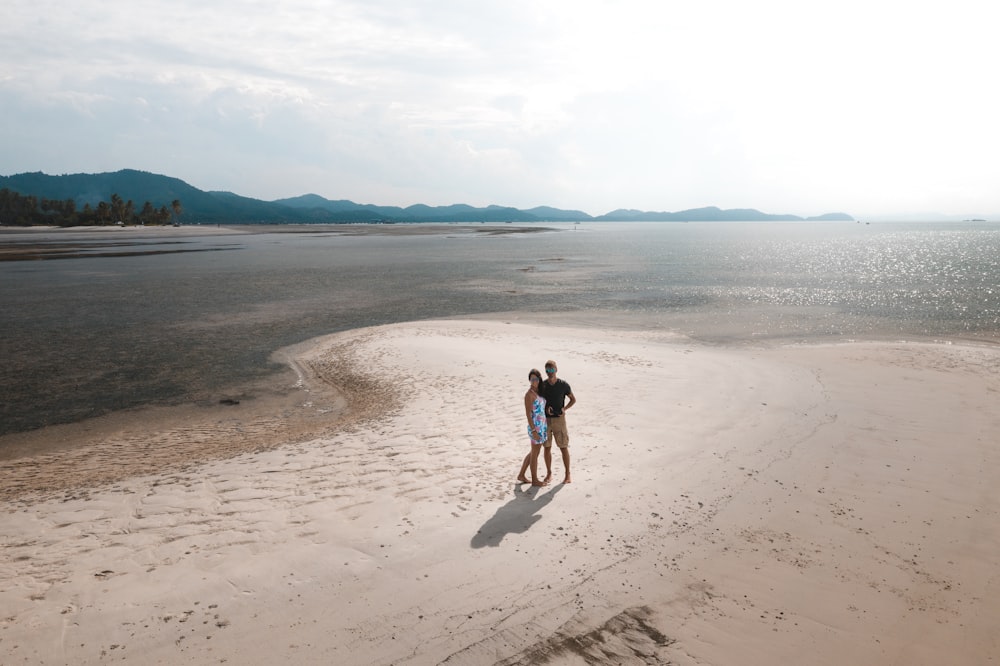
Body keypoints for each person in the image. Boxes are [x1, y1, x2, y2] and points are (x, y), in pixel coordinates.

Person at [538, 359, 575, 484]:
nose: (550, 372)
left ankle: (567, 474)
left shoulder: (563, 385)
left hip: (560, 420)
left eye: (552, 369)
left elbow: (573, 399)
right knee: (547, 448)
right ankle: (549, 473)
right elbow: (538, 402)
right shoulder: (542, 385)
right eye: (547, 370)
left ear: (556, 369)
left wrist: (565, 409)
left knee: (563, 447)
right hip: (546, 420)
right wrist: (545, 408)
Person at [517, 369, 549, 486]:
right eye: (532, 379)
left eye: (536, 379)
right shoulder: (529, 395)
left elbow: (541, 407)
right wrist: (534, 430)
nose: (534, 381)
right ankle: (534, 480)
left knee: (533, 452)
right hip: (535, 427)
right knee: (535, 453)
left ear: (539, 379)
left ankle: (521, 475)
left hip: (543, 426)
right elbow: (528, 414)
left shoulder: (539, 392)